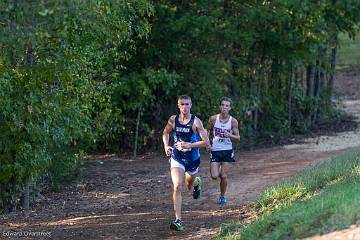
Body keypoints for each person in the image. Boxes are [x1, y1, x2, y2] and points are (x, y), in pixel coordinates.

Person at [162, 95, 209, 231]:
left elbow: (206, 142)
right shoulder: (173, 119)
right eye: (182, 104)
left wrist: (190, 145)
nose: (184, 107)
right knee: (177, 186)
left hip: (192, 159)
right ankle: (178, 220)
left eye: (187, 104)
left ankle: (196, 183)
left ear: (191, 105)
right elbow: (165, 132)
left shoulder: (196, 122)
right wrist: (166, 145)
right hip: (177, 157)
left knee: (189, 186)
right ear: (178, 105)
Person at [206, 97, 240, 205]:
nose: (224, 107)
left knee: (223, 176)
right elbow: (206, 130)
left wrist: (229, 135)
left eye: (227, 106)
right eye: (223, 105)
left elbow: (238, 137)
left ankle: (222, 196)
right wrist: (207, 142)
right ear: (220, 106)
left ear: (230, 108)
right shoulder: (213, 119)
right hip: (215, 150)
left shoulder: (233, 121)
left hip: (227, 150)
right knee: (215, 176)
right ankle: (218, 169)